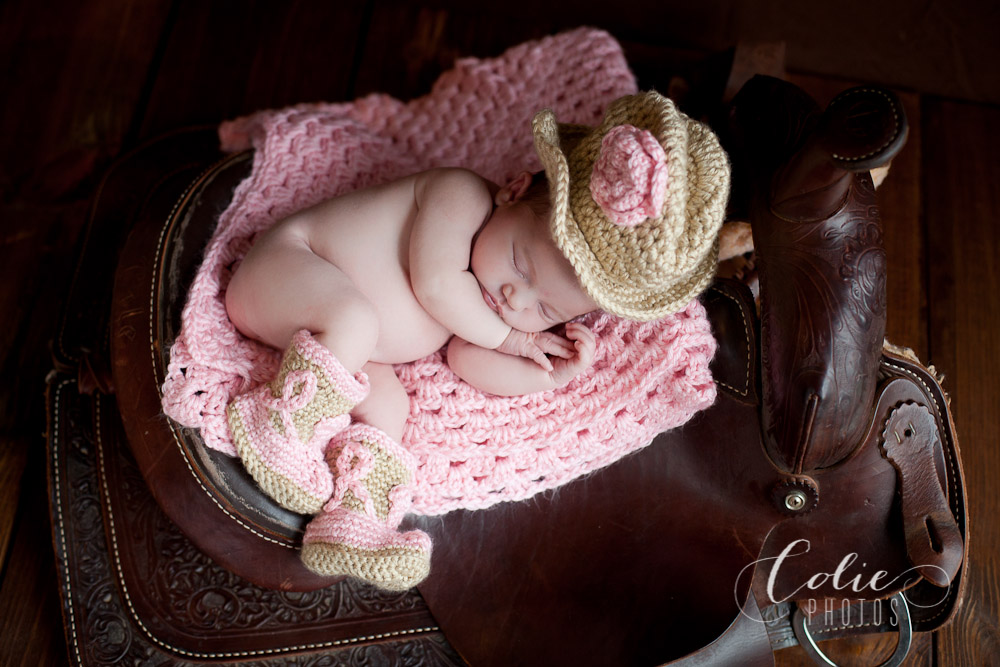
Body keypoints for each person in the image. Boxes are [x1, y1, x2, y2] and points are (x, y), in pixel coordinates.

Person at [223, 91, 730, 591]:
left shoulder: (493, 313)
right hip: (288, 268)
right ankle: (276, 422)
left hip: (341, 344)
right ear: (512, 190)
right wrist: (512, 336)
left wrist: (547, 373)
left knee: (390, 406)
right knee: (354, 319)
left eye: (545, 309)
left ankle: (355, 520)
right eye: (519, 263)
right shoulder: (459, 195)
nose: (515, 298)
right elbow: (436, 284)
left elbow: (468, 359)